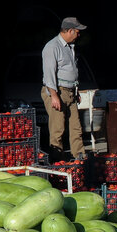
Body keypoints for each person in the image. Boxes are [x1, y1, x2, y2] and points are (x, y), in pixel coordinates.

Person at [40, 17, 87, 161]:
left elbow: (71, 71)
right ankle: (57, 161)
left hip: (70, 92)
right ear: (70, 30)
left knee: (76, 127)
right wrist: (54, 95)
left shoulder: (70, 47)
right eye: (77, 32)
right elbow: (49, 73)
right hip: (58, 91)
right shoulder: (52, 47)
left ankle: (80, 157)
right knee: (58, 129)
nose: (79, 35)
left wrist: (76, 91)